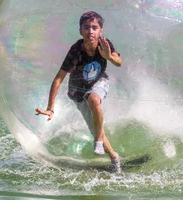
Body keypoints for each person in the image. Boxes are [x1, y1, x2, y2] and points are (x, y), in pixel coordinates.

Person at [35, 11, 123, 173]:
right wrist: (50, 108)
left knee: (94, 99)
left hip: (98, 82)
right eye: (86, 27)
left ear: (100, 31)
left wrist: (108, 56)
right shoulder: (76, 50)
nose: (91, 31)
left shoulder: (105, 44)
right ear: (80, 31)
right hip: (78, 91)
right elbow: (58, 79)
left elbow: (119, 62)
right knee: (95, 127)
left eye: (94, 28)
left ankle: (97, 141)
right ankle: (114, 157)